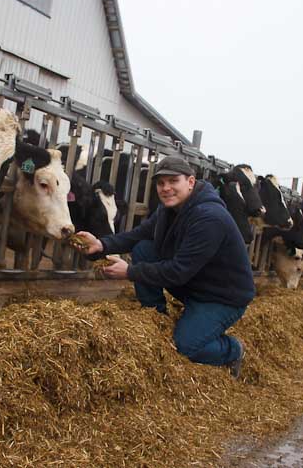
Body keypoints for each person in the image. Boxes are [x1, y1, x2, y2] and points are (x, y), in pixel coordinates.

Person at [72, 156, 255, 377]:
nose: (166, 188)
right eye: (160, 183)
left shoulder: (209, 218)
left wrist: (129, 272)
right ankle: (155, 316)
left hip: (222, 297)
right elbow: (140, 234)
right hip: (195, 283)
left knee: (186, 346)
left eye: (172, 181)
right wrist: (102, 244)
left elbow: (178, 271)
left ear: (190, 182)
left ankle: (233, 350)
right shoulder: (170, 210)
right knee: (143, 248)